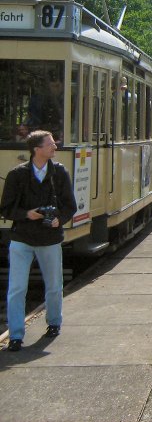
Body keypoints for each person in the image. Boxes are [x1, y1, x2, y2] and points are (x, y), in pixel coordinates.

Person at [0, 130, 77, 352]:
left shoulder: (59, 173)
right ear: (37, 149)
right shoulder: (17, 175)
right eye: (51, 144)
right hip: (22, 238)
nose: (55, 147)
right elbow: (6, 208)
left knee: (54, 286)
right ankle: (15, 335)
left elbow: (69, 205)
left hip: (50, 238)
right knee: (17, 288)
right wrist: (27, 214)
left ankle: (54, 323)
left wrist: (59, 220)